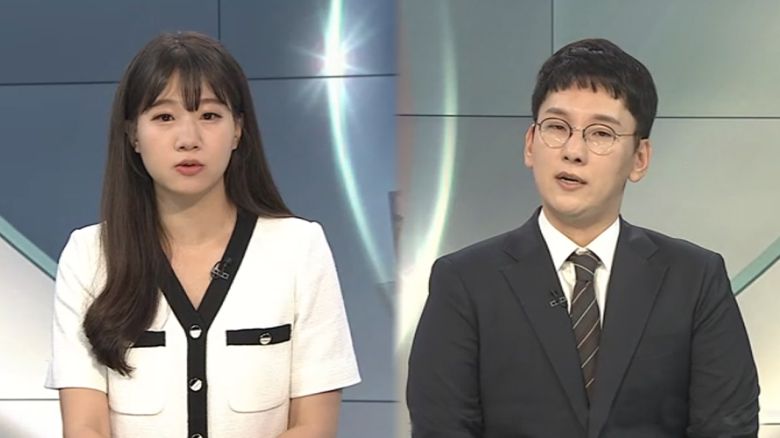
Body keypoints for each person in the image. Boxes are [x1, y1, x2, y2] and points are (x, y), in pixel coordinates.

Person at [406, 38, 759, 437]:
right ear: (530, 143)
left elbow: (728, 427)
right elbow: (442, 428)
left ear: (639, 159)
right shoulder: (464, 281)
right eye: (557, 127)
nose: (573, 151)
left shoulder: (694, 279)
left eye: (601, 133)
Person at [45, 31, 360, 438]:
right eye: (164, 117)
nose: (188, 140)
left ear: (238, 130)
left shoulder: (299, 248)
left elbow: (313, 426)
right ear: (133, 134)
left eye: (209, 116)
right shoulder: (89, 256)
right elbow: (85, 426)